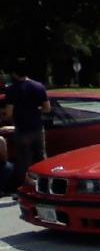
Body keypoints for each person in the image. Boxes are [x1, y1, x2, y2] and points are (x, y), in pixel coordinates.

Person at [3, 59, 51, 187]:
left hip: (22, 129)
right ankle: (44, 184)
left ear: (14, 74)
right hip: (38, 128)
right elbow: (47, 108)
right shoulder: (39, 86)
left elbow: (9, 113)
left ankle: (26, 187)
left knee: (24, 161)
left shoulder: (12, 90)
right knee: (40, 157)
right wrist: (35, 109)